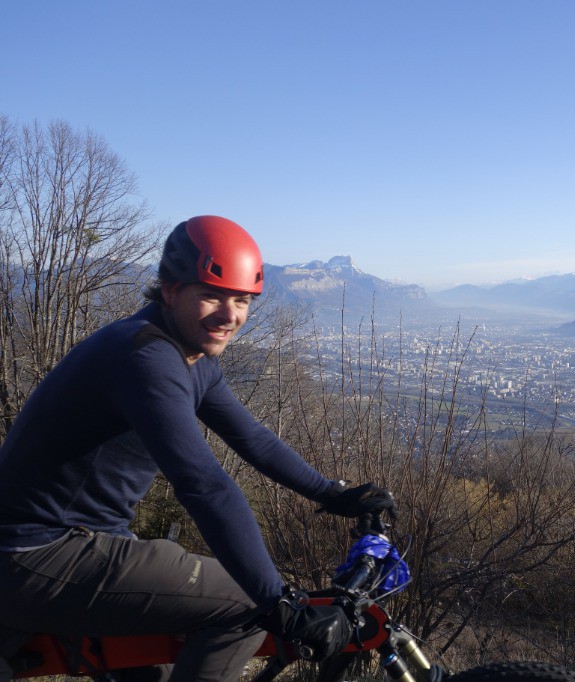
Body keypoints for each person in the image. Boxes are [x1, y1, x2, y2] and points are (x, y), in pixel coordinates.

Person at [0, 215, 393, 681]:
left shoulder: (187, 352)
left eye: (243, 300)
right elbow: (204, 486)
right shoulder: (146, 357)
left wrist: (331, 494)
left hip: (74, 541)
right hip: (37, 551)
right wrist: (276, 602)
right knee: (245, 604)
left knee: (161, 667)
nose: (231, 316)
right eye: (212, 295)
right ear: (169, 289)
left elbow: (252, 438)